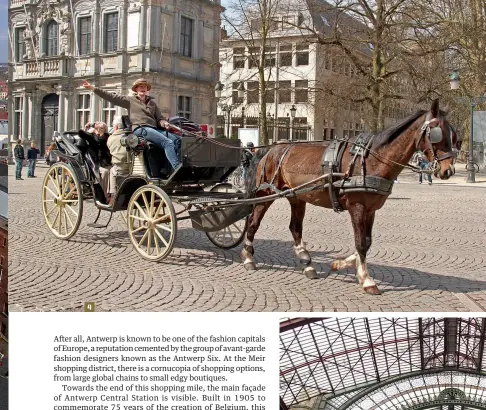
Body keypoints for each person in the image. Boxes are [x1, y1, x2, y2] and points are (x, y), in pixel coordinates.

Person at [82, 78, 182, 172]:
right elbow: (111, 97)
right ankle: (177, 169)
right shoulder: (130, 100)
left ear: (147, 89)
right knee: (168, 143)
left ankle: (170, 169)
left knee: (178, 140)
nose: (143, 88)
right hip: (140, 128)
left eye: (145, 87)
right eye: (140, 86)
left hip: (153, 129)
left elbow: (159, 118)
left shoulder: (152, 104)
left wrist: (163, 122)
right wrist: (93, 88)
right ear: (136, 89)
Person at [107, 116, 130, 202]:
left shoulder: (111, 138)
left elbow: (109, 149)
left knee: (112, 171)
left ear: (116, 127)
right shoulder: (130, 136)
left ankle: (113, 194)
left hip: (121, 168)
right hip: (132, 167)